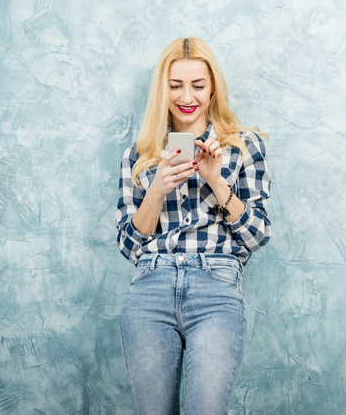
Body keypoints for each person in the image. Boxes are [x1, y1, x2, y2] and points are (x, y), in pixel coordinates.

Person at [115, 37, 270, 415]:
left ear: (212, 87)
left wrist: (218, 183)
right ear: (162, 90)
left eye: (198, 85)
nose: (187, 96)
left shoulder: (244, 146)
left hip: (216, 287)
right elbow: (129, 246)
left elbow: (257, 235)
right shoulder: (140, 154)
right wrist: (157, 189)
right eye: (176, 85)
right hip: (151, 286)